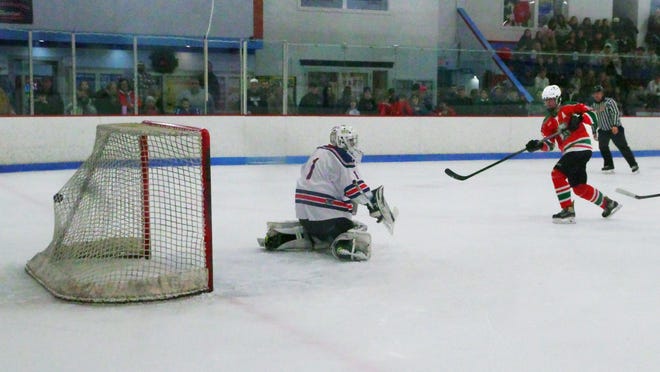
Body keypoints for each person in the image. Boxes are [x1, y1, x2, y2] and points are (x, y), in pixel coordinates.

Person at [260, 125, 386, 261]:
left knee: (319, 231)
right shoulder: (343, 157)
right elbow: (356, 189)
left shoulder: (319, 152)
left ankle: (289, 236)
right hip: (328, 220)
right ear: (341, 141)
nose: (353, 144)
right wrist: (373, 205)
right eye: (350, 141)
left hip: (305, 218)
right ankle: (345, 244)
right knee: (357, 227)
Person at [525, 85, 621, 223]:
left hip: (580, 146)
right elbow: (550, 145)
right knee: (579, 187)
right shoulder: (547, 123)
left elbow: (592, 113)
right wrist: (539, 145)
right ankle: (609, 204)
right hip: (572, 152)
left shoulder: (569, 108)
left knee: (557, 174)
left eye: (551, 100)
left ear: (558, 99)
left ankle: (568, 210)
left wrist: (580, 119)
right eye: (546, 100)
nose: (548, 103)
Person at [590, 85, 639, 173]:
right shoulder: (593, 105)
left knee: (623, 146)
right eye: (595, 94)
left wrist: (615, 125)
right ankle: (609, 165)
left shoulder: (609, 102)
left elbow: (615, 113)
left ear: (602, 93)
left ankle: (633, 164)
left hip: (615, 128)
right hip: (603, 130)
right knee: (602, 147)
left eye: (598, 93)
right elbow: (594, 119)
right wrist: (594, 131)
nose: (596, 95)